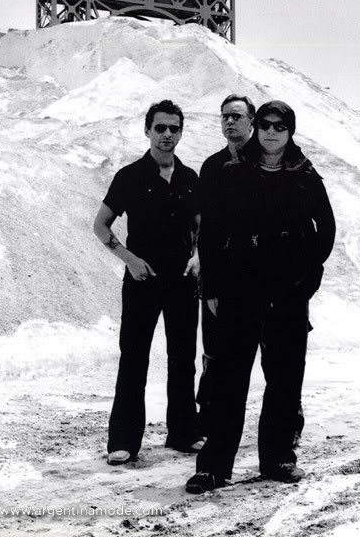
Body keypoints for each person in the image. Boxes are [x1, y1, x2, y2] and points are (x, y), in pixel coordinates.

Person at [186, 100, 336, 493]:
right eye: (266, 124)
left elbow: (325, 230)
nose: (271, 131)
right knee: (228, 380)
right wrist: (212, 285)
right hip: (240, 288)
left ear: (290, 131)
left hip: (288, 292)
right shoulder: (234, 171)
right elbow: (213, 231)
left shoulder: (304, 174)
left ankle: (279, 459)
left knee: (285, 378)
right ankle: (213, 467)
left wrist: (308, 278)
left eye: (279, 125)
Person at [93, 99, 203, 465]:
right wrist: (129, 259)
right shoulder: (129, 176)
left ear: (180, 133)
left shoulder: (189, 178)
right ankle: (123, 441)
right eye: (160, 128)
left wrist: (198, 256)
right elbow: (100, 225)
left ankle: (183, 433)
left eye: (174, 128)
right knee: (134, 358)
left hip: (183, 281)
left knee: (183, 359)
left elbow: (201, 225)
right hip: (142, 280)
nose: (167, 134)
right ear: (147, 131)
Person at [196, 93, 256, 434]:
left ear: (251, 121)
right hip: (223, 277)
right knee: (215, 351)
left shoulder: (268, 161)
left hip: (263, 278)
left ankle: (287, 425)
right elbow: (207, 232)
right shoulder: (212, 167)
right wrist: (210, 287)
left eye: (237, 116)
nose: (230, 121)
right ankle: (209, 418)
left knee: (276, 357)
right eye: (225, 117)